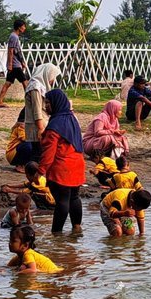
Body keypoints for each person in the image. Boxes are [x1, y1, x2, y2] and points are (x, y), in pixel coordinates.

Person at [37, 89, 87, 235]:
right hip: (77, 164)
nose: (46, 106)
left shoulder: (54, 125)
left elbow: (48, 153)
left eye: (48, 103)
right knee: (75, 197)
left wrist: (40, 171)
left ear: (55, 103)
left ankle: (56, 233)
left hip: (62, 167)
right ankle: (77, 227)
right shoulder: (72, 119)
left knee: (62, 200)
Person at [23, 63, 61, 165]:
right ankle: (34, 174)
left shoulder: (40, 86)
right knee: (37, 153)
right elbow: (37, 110)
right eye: (52, 77)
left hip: (41, 123)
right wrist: (41, 129)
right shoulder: (35, 87)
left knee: (40, 152)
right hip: (36, 125)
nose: (52, 80)